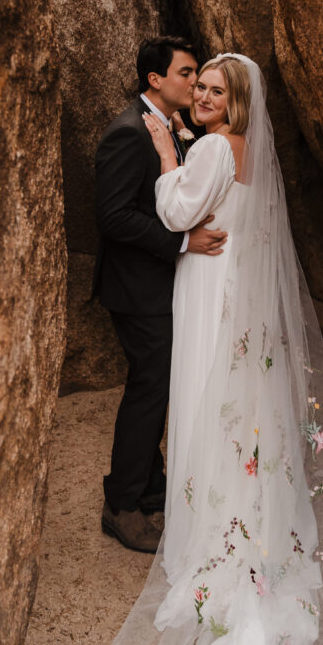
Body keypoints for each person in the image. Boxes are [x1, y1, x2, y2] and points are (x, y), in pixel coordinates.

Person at [101, 54, 323, 645]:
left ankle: (210, 531)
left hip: (206, 285)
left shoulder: (209, 150)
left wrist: (171, 156)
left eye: (215, 91)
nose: (201, 97)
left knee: (204, 394)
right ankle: (252, 513)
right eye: (198, 86)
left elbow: (177, 213)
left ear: (237, 100)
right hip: (238, 285)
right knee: (238, 398)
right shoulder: (249, 150)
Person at [93, 36, 228, 554]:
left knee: (155, 387)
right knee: (149, 391)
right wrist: (182, 241)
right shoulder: (128, 133)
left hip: (154, 285)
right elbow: (113, 216)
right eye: (188, 73)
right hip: (137, 289)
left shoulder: (168, 127)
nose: (195, 84)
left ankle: (149, 489)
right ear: (156, 79)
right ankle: (122, 506)